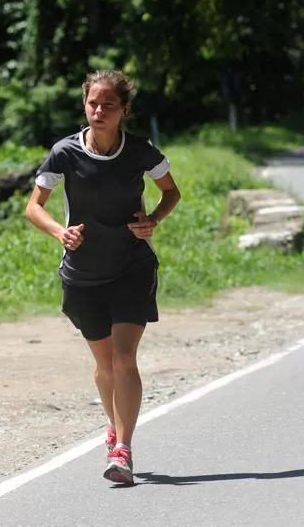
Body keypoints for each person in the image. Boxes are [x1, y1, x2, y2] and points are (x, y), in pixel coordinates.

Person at [25, 69, 181, 485]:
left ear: (124, 110)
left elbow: (171, 192)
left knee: (124, 357)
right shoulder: (64, 153)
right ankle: (112, 425)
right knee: (105, 363)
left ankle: (123, 449)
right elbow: (34, 207)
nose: (99, 110)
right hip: (83, 273)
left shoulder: (140, 151)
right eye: (93, 103)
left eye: (108, 105)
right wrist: (60, 231)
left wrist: (153, 220)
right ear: (85, 105)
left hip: (132, 264)